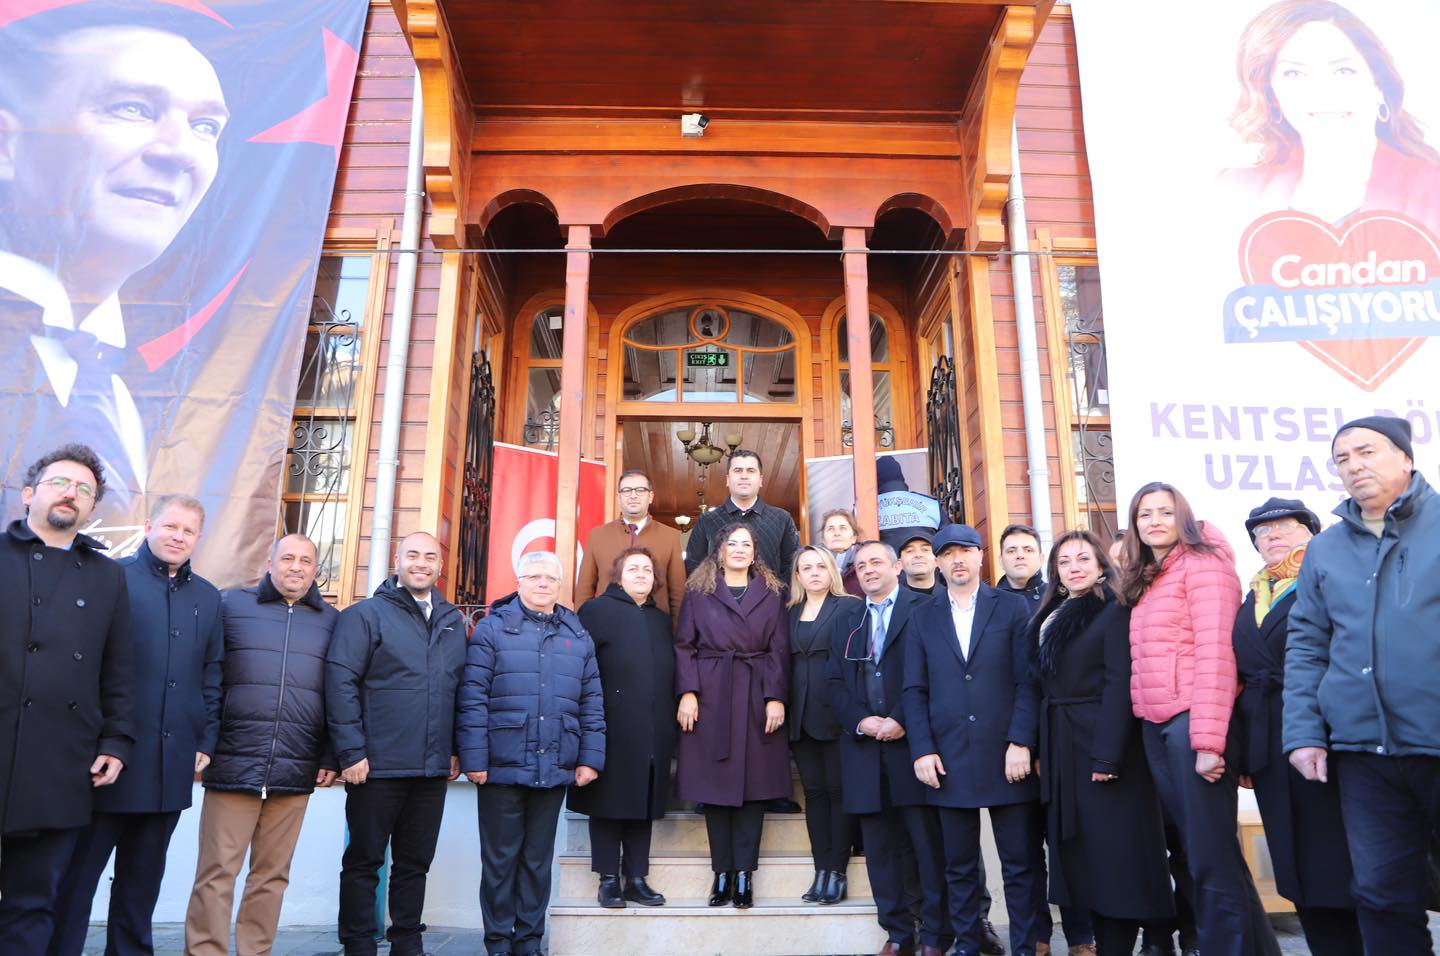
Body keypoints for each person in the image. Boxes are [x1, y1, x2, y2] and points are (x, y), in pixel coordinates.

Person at [0, 17, 230, 509]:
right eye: (133, 109)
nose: (178, 150)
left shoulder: (118, 399)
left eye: (205, 126)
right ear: (7, 144)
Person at [1285, 416, 1440, 954]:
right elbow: (1307, 646)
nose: (1354, 466)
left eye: (1366, 451)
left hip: (1436, 740)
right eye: (1342, 459)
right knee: (1380, 893)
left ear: (1406, 458)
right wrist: (1304, 734)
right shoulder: (1325, 551)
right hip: (1363, 754)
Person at [50, 494, 223, 956]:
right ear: (149, 525)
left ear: (198, 539)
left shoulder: (207, 598)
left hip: (170, 764)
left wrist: (204, 737)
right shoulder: (113, 579)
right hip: (108, 762)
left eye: (188, 531)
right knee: (76, 878)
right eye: (170, 526)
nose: (177, 536)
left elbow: (212, 673)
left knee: (142, 883)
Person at [1121, 482, 1280, 956]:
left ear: (1183, 517)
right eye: (1144, 514)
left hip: (1194, 724)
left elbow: (1216, 655)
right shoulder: (1152, 573)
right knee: (1206, 853)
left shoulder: (1203, 564)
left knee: (1208, 858)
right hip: (1160, 724)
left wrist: (1208, 740)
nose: (1153, 521)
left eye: (1164, 512)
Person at [0, 444, 133, 950]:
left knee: (33, 902)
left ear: (92, 509)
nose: (72, 494)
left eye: (84, 490)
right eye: (61, 482)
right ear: (30, 493)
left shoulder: (107, 576)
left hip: (59, 762)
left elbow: (119, 668)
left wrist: (117, 742)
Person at [183, 533, 340, 956]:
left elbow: (337, 694)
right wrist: (206, 742)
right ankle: (204, 951)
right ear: (269, 563)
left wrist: (328, 755)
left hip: (295, 767)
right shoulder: (232, 606)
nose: (296, 567)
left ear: (316, 570)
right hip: (234, 763)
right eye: (287, 558)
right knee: (217, 872)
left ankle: (255, 951)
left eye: (306, 560)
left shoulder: (331, 620)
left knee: (271, 876)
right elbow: (209, 677)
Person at [1030, 530, 1173, 956]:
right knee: (1084, 856)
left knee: (1116, 855)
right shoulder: (1051, 611)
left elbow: (1119, 684)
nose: (1073, 567)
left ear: (1099, 565)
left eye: (1082, 559)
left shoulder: (1113, 610)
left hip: (1103, 746)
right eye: (1064, 561)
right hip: (1062, 745)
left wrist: (1108, 755)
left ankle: (1127, 944)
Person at [906, 523, 1046, 956]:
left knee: (1020, 866)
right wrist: (923, 750)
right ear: (937, 562)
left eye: (965, 551)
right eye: (947, 554)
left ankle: (1025, 947)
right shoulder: (922, 616)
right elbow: (914, 689)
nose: (957, 560)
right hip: (947, 759)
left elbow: (1029, 682)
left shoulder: (1011, 608)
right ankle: (966, 945)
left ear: (981, 556)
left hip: (1007, 755)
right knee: (959, 866)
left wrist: (1021, 741)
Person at [1232, 498, 1361, 955]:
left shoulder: (1330, 577)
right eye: (1262, 532)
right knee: (1295, 862)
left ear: (1312, 531)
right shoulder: (1254, 594)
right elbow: (1244, 680)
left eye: (1284, 526)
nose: (1272, 536)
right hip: (1271, 746)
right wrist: (1245, 752)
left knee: (1340, 859)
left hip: (1329, 736)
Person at [326, 532, 465, 956]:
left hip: (431, 767)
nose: (421, 563)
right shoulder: (365, 615)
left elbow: (458, 689)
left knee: (414, 863)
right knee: (365, 861)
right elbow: (340, 682)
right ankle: (359, 943)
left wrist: (455, 749)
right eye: (412, 555)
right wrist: (351, 751)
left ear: (439, 566)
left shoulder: (453, 620)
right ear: (396, 559)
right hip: (376, 766)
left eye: (429, 556)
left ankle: (407, 941)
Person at [459, 549, 605, 952]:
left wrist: (590, 758)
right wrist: (473, 760)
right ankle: (498, 942)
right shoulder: (492, 629)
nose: (543, 584)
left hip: (554, 765)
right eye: (535, 576)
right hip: (501, 767)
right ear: (519, 581)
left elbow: (592, 702)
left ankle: (528, 940)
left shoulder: (577, 636)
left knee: (538, 862)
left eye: (551, 579)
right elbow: (473, 699)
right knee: (501, 861)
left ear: (560, 586)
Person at [827, 540, 953, 956]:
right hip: (864, 751)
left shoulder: (925, 610)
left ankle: (935, 934)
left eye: (876, 562)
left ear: (896, 566)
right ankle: (898, 933)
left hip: (912, 747)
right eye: (860, 565)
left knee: (926, 847)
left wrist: (901, 718)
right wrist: (862, 721)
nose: (867, 570)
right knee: (880, 852)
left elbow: (938, 673)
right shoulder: (846, 618)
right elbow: (834, 684)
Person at [1222, 0, 1440, 233]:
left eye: (1343, 70)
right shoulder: (1230, 193)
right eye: (1294, 73)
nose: (1323, 91)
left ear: (1379, 86)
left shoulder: (1432, 188)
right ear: (1271, 96)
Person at [675, 523, 790, 909]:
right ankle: (721, 872)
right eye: (732, 544)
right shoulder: (698, 591)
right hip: (710, 692)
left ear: (755, 552)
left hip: (757, 692)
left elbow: (779, 650)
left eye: (746, 544)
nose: (739, 550)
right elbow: (684, 645)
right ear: (719, 551)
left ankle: (744, 874)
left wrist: (775, 697)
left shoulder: (773, 593)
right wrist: (688, 692)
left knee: (753, 789)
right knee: (715, 788)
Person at [569, 547, 674, 909]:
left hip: (653, 726)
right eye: (633, 568)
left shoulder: (661, 619)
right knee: (609, 801)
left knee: (642, 800)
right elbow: (580, 668)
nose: (642, 574)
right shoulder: (595, 611)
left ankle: (637, 878)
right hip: (609, 725)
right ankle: (608, 879)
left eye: (648, 569)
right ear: (618, 575)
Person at [786, 545, 860, 905]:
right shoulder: (789, 612)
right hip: (799, 716)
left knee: (838, 792)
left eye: (820, 566)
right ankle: (820, 871)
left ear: (831, 570)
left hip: (835, 713)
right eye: (806, 568)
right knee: (814, 795)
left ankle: (837, 872)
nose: (813, 573)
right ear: (797, 576)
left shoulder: (848, 607)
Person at [574, 469, 687, 624]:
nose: (633, 495)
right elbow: (584, 591)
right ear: (618, 498)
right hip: (605, 624)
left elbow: (677, 593)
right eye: (626, 490)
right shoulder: (598, 535)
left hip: (655, 628)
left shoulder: (670, 536)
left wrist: (677, 638)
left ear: (651, 497)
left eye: (640, 490)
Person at [683, 449, 800, 582]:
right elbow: (693, 565)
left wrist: (776, 595)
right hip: (718, 601)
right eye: (738, 470)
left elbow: (794, 564)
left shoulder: (782, 519)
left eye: (751, 471)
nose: (744, 476)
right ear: (728, 479)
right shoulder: (707, 520)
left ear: (760, 479)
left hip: (771, 601)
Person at [817, 508, 864, 596]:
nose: (837, 533)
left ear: (854, 538)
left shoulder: (866, 562)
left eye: (843, 528)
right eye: (831, 529)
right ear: (823, 539)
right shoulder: (811, 563)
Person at [997, 523, 1045, 609]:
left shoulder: (1058, 598)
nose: (1020, 555)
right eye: (1011, 551)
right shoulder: (988, 604)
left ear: (1041, 559)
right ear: (1001, 561)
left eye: (1028, 550)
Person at [898, 530, 939, 595]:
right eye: (910, 551)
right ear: (899, 564)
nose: (918, 555)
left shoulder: (951, 597)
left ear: (938, 561)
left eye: (925, 550)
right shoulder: (892, 601)